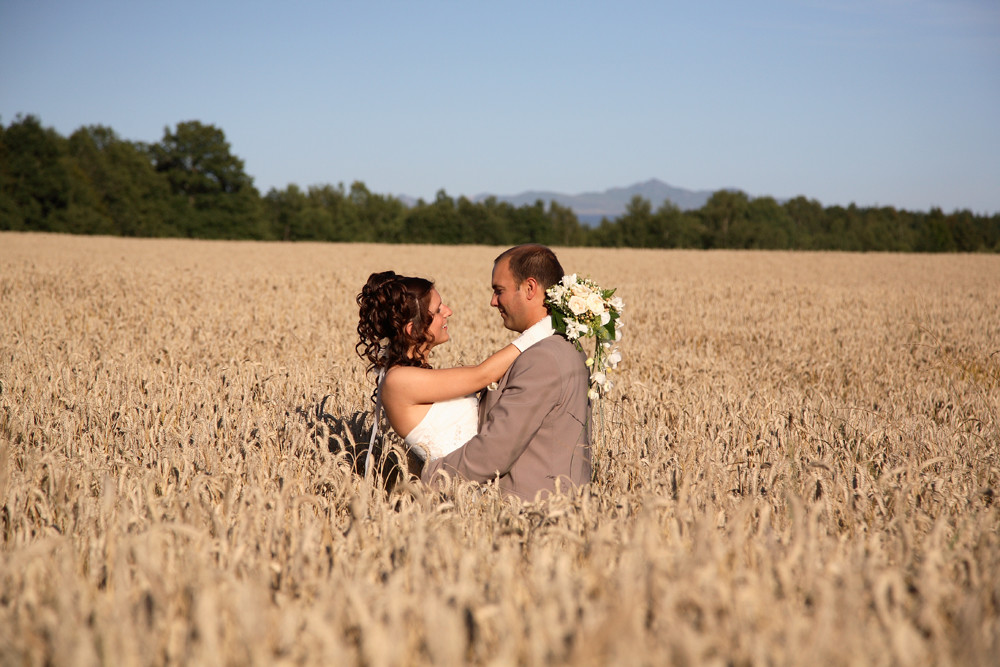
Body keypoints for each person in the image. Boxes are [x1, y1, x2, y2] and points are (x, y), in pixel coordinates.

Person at [420, 244, 592, 501]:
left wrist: (430, 478)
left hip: (532, 511)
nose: (492, 302)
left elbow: (495, 450)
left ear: (530, 288)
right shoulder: (565, 345)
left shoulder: (543, 358)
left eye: (499, 291)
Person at [356, 271, 549, 467]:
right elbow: (483, 374)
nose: (448, 311)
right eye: (438, 310)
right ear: (413, 328)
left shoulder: (414, 374)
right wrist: (548, 325)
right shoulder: (398, 380)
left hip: (480, 478)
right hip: (461, 486)